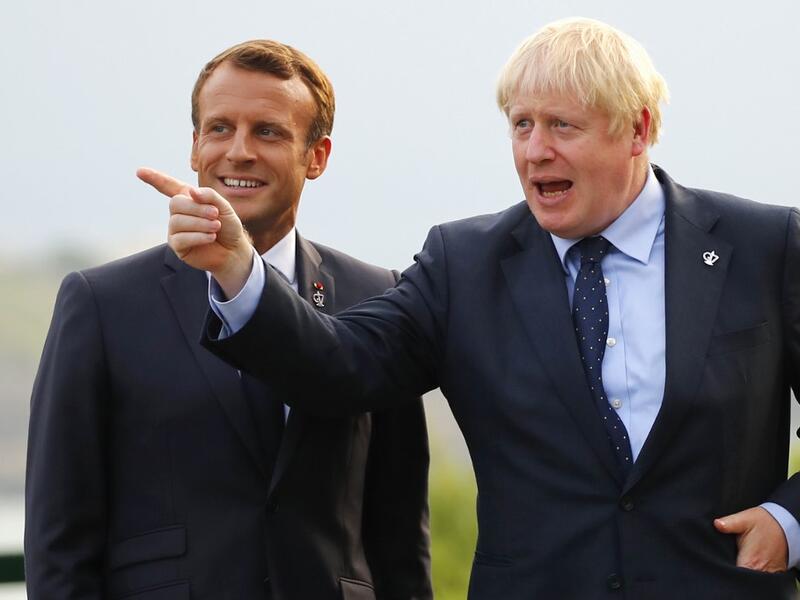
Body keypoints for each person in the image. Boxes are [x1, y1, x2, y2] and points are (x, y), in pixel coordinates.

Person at [157, 18, 800, 599]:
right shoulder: (463, 263)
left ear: (638, 128)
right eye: (521, 124)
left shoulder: (765, 246)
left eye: (562, 126)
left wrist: (790, 520)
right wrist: (239, 270)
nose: (534, 150)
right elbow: (340, 362)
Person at [25, 40, 432, 600]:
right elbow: (58, 540)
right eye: (219, 129)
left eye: (267, 131)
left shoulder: (378, 296)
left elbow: (400, 535)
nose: (238, 151)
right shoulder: (99, 304)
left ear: (317, 157)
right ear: (194, 147)